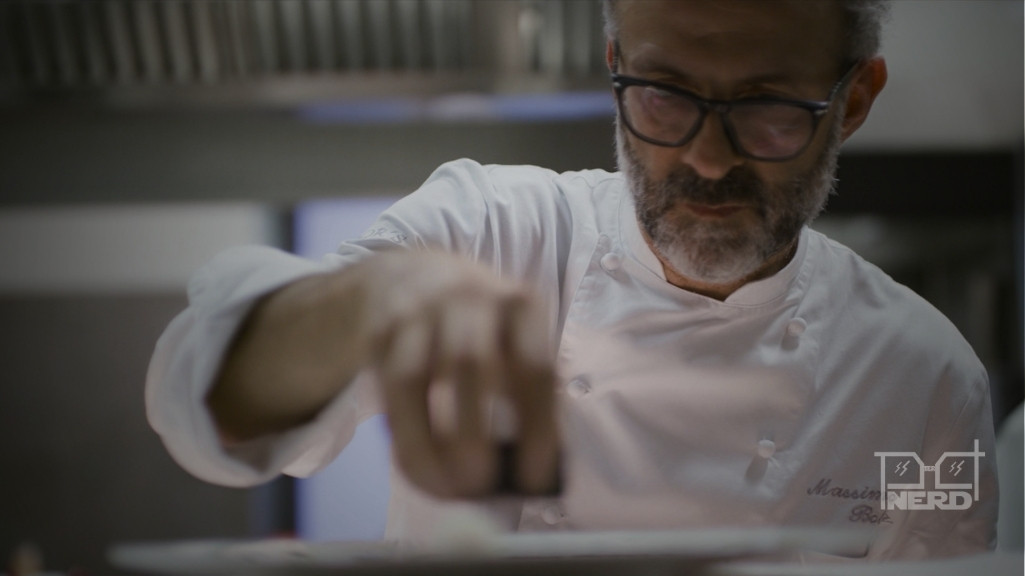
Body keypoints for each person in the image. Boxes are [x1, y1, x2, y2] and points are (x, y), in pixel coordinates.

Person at [146, 0, 998, 559]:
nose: (705, 156)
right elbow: (204, 412)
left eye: (768, 107)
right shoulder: (492, 228)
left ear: (851, 102)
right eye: (663, 95)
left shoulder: (923, 383)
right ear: (614, 64)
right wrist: (364, 303)